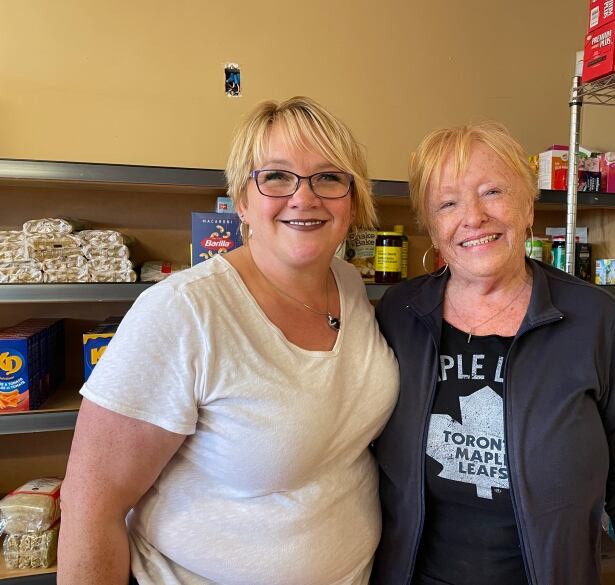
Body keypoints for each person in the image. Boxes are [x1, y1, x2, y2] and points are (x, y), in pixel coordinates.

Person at [59, 96, 399, 585]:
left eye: (329, 177)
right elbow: (92, 505)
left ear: (353, 198)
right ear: (242, 199)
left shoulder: (348, 284)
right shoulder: (184, 312)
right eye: (277, 177)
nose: (304, 198)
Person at [370, 122, 615, 585]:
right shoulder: (399, 313)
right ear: (432, 228)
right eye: (448, 203)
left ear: (527, 204)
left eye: (492, 191)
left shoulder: (594, 319)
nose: (473, 217)